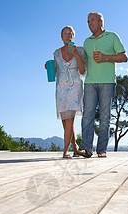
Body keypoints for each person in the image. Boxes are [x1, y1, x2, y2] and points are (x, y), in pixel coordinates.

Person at [77, 12, 128, 158]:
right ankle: (86, 148)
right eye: (87, 21)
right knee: (87, 116)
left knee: (105, 117)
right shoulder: (87, 41)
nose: (89, 23)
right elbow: (84, 64)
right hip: (90, 82)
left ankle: (101, 150)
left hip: (107, 82)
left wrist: (106, 57)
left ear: (101, 22)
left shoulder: (112, 36)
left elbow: (124, 57)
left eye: (92, 20)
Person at [50, 26, 85, 158]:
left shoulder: (80, 50)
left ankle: (65, 150)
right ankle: (75, 148)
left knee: (70, 118)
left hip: (74, 87)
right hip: (61, 88)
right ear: (61, 36)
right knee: (65, 120)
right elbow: (54, 72)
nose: (68, 35)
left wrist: (76, 54)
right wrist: (48, 67)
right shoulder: (56, 53)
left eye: (70, 33)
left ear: (74, 36)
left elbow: (82, 71)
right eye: (65, 33)